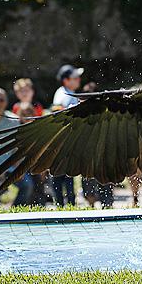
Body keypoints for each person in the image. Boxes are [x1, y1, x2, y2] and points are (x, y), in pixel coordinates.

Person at [50, 64, 84, 206]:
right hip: (62, 142)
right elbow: (57, 111)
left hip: (69, 141)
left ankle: (70, 204)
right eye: (75, 77)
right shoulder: (62, 94)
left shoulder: (69, 92)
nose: (78, 79)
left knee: (68, 174)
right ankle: (61, 204)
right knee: (59, 174)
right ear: (66, 80)